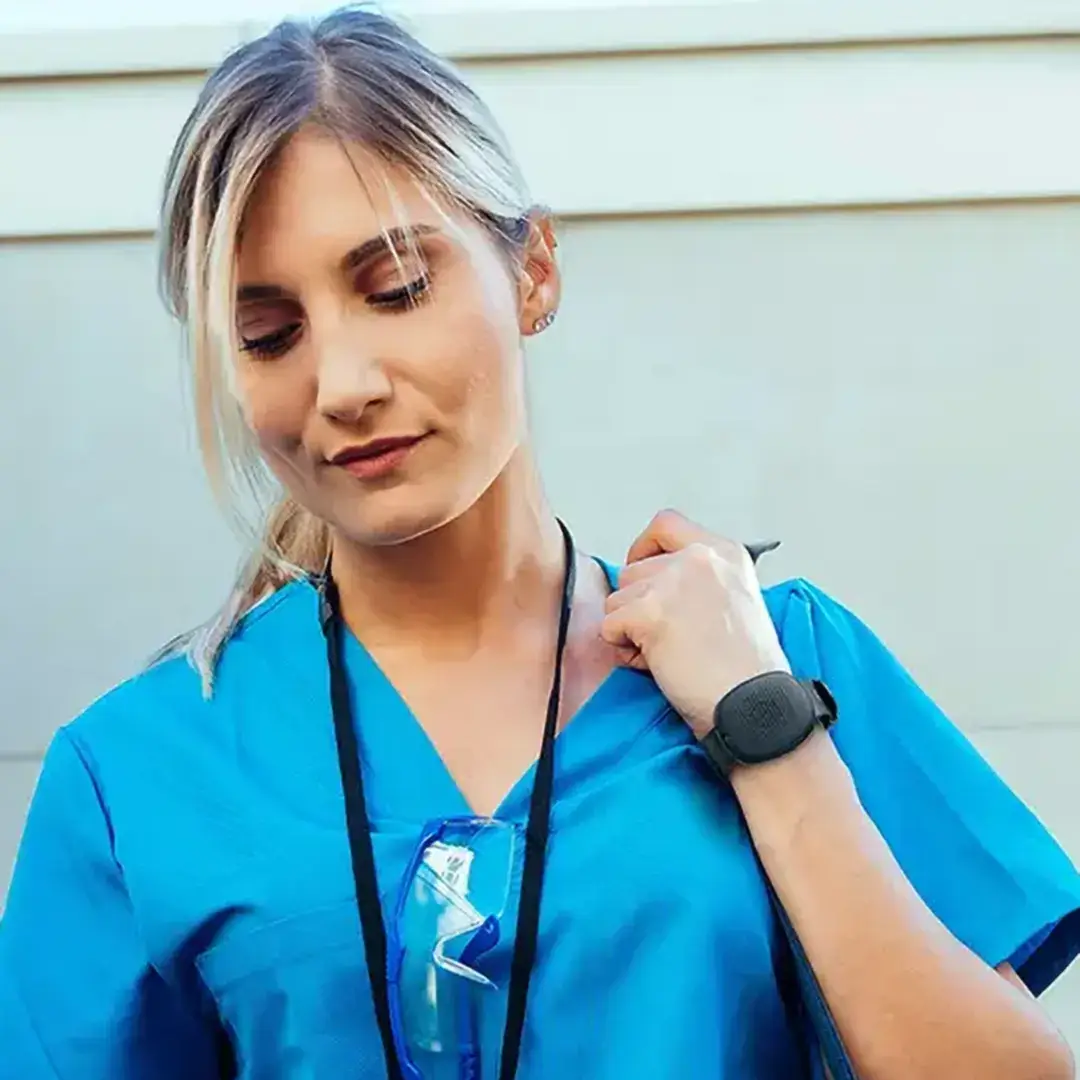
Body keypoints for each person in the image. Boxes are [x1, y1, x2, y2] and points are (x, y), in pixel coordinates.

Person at [1, 6, 1078, 1079]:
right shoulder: (138, 775)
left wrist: (767, 738)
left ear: (534, 272)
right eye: (269, 335)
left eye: (397, 290)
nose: (344, 386)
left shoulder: (786, 665)